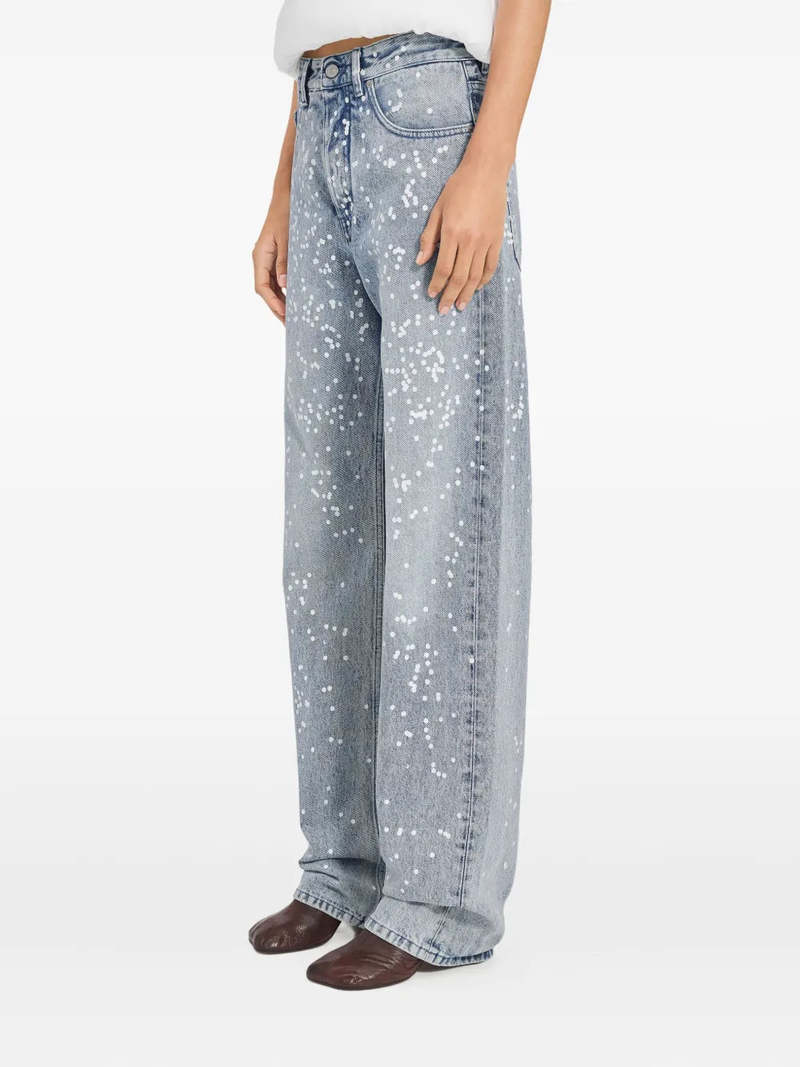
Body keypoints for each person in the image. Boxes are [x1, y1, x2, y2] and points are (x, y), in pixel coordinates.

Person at [249, 0, 551, 990]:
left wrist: (487, 160)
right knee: (326, 540)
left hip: (429, 115)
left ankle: (440, 898)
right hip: (320, 108)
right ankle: (346, 866)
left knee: (441, 525)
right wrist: (286, 181)